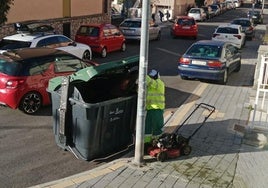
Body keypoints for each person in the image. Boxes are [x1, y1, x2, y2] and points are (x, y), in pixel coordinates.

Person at [144, 69, 166, 146]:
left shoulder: (159, 83)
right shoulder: (151, 85)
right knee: (148, 127)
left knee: (157, 127)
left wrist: (142, 73)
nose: (152, 78)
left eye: (152, 77)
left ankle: (158, 143)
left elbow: (149, 81)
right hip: (151, 109)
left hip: (157, 109)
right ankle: (147, 143)